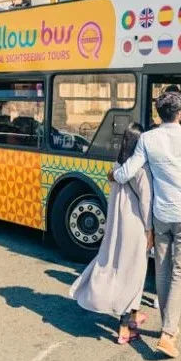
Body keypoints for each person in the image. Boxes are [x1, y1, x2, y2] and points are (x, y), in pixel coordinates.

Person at [109, 91, 181, 359]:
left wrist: (114, 174)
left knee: (163, 271)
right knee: (180, 273)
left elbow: (128, 170)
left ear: (158, 114)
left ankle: (168, 325)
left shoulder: (148, 138)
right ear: (180, 113)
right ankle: (168, 333)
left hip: (161, 215)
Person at [70, 123, 153, 345]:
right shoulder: (141, 170)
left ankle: (133, 314)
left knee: (117, 267)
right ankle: (125, 328)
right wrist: (151, 229)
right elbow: (146, 203)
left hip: (118, 226)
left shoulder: (117, 167)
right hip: (136, 227)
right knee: (133, 273)